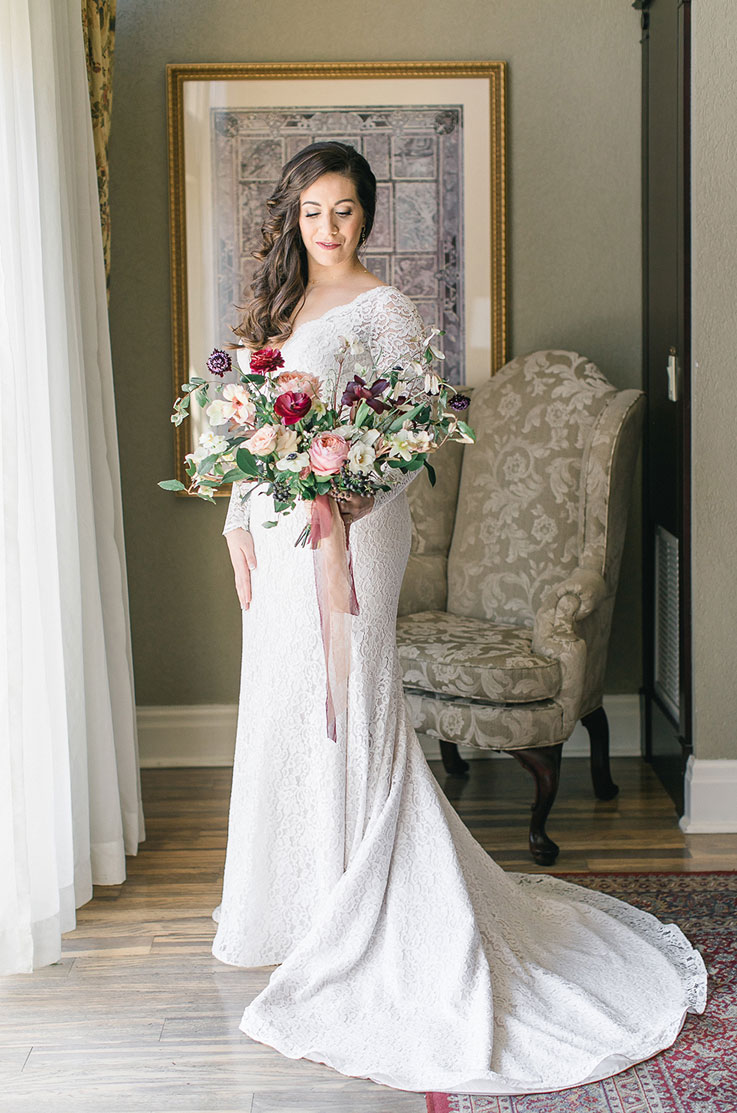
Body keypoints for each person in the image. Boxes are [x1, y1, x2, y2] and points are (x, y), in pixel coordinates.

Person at [211, 141, 706, 1095]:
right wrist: (239, 514)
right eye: (313, 211)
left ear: (368, 215)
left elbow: (416, 427)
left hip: (355, 526)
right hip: (280, 528)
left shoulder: (386, 307)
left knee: (350, 703)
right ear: (294, 215)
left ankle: (369, 909)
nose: (328, 228)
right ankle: (298, 902)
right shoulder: (278, 305)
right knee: (287, 699)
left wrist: (355, 496)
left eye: (345, 210)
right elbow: (252, 420)